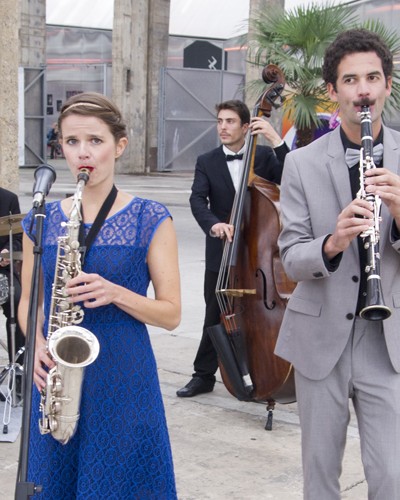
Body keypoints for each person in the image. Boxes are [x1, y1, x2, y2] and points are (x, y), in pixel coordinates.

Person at [18, 92, 181, 498]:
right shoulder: (40, 220)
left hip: (123, 373)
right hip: (56, 377)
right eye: (72, 142)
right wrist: (35, 344)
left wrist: (115, 292)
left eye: (95, 140)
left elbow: (171, 313)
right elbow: (28, 302)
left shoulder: (150, 218)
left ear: (119, 146)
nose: (83, 153)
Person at [275, 29, 400, 499]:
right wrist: (332, 242)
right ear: (333, 90)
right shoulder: (301, 163)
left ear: (387, 84)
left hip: (387, 340)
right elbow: (291, 257)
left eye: (372, 78)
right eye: (350, 80)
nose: (362, 90)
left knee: (391, 475)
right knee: (320, 472)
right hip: (320, 336)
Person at [177, 99, 289, 398]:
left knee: (258, 319)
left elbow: (293, 176)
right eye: (220, 121)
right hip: (223, 253)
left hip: (257, 254)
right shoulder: (207, 160)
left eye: (230, 121)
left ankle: (260, 373)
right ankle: (203, 376)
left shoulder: (263, 156)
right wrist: (214, 225)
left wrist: (276, 140)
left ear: (246, 126)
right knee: (215, 314)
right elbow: (197, 200)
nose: (223, 127)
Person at [0, 188, 25, 366]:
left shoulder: (8, 199)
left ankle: (17, 366)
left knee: (18, 303)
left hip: (2, 270)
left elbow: (18, 238)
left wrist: (8, 251)